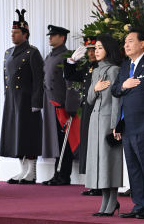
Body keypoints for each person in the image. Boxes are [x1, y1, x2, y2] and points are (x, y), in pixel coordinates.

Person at [112, 28, 144, 219]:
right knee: (133, 167)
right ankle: (139, 204)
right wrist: (124, 85)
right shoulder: (125, 66)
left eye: (131, 41)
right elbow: (116, 91)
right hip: (128, 126)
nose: (126, 45)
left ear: (142, 44)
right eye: (125, 42)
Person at [0, 9, 44, 184]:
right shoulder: (8, 52)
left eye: (16, 32)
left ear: (25, 34)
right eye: (12, 32)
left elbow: (39, 80)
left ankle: (32, 172)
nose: (13, 35)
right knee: (16, 136)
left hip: (27, 100)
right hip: (12, 100)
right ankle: (22, 170)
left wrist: (36, 102)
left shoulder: (32, 53)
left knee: (28, 135)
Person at [86, 34, 122, 216]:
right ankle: (105, 202)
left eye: (100, 47)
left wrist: (116, 125)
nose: (96, 51)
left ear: (108, 49)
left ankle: (112, 200)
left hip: (108, 120)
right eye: (95, 48)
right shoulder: (96, 71)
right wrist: (95, 88)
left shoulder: (114, 70)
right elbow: (89, 99)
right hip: (95, 120)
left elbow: (117, 99)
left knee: (110, 161)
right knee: (99, 162)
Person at [42, 25, 81, 186]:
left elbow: (71, 83)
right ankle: (57, 174)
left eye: (54, 35)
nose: (50, 38)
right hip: (51, 103)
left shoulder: (68, 55)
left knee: (64, 140)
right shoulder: (50, 56)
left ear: (62, 37)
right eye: (50, 35)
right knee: (56, 141)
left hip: (63, 104)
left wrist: (71, 105)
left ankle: (64, 175)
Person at [63, 36, 101, 196]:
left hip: (97, 110)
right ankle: (93, 183)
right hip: (87, 110)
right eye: (89, 50)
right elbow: (71, 76)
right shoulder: (90, 67)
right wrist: (71, 61)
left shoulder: (103, 67)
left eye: (94, 49)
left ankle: (99, 184)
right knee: (88, 146)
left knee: (96, 147)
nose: (91, 53)